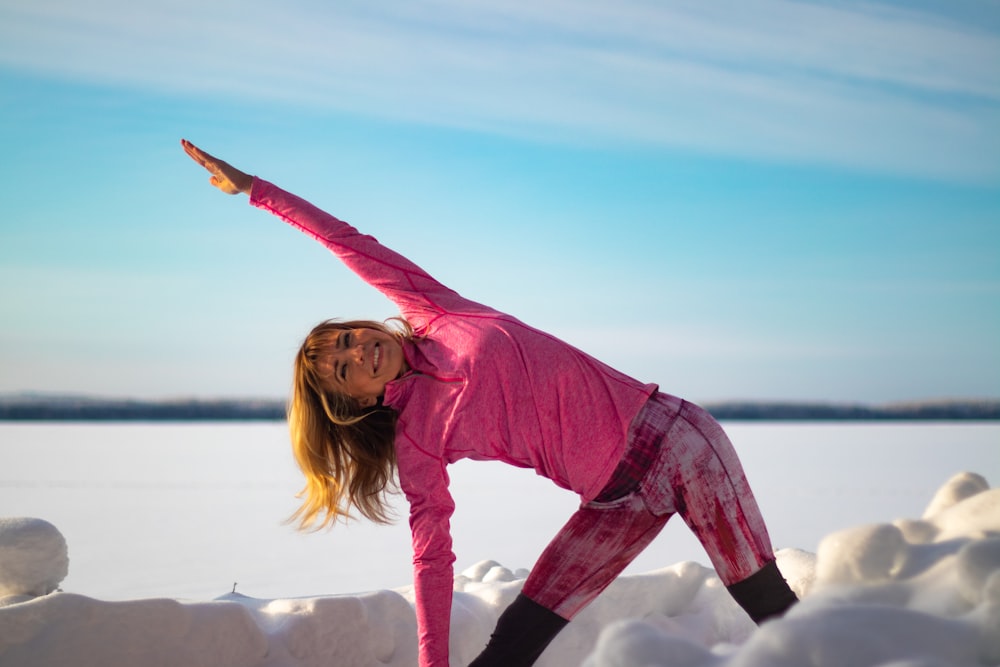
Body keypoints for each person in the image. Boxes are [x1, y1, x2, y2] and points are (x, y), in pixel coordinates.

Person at [181, 139, 798, 667]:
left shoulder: (436, 311)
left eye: (347, 338)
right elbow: (431, 556)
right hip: (615, 502)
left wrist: (257, 190)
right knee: (516, 638)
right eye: (344, 370)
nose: (359, 352)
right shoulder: (417, 439)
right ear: (355, 402)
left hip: (677, 441)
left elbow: (345, 240)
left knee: (766, 602)